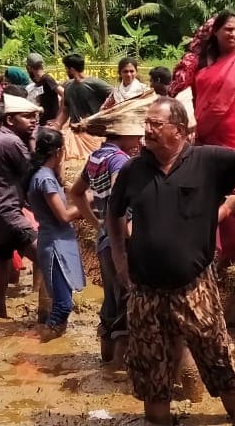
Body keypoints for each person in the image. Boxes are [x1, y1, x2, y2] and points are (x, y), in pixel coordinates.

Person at [107, 97, 235, 425]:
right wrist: (120, 260)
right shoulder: (132, 170)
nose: (146, 130)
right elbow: (114, 212)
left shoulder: (208, 160)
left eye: (155, 124)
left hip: (195, 290)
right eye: (146, 123)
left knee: (222, 364)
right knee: (152, 379)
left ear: (179, 130)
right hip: (145, 293)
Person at [174, 11, 235, 263]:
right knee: (213, 189)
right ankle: (221, 252)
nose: (234, 34)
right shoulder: (201, 62)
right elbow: (185, 95)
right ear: (215, 32)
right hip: (208, 135)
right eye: (228, 29)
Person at [68, 101, 146, 361]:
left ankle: (106, 363)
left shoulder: (96, 156)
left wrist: (96, 223)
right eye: (136, 134)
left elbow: (76, 192)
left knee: (112, 300)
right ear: (124, 134)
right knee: (127, 305)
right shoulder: (120, 162)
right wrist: (128, 233)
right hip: (121, 243)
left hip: (104, 239)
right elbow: (118, 201)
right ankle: (117, 375)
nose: (139, 139)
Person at [0, 94, 42, 319]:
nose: (33, 121)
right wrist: (35, 142)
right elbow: (34, 171)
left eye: (34, 117)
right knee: (49, 260)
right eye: (27, 117)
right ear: (10, 120)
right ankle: (48, 318)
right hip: (9, 214)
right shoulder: (12, 142)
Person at [25, 129, 85, 340]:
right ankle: (44, 345)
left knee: (61, 300)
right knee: (63, 305)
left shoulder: (42, 175)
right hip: (55, 245)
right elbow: (63, 216)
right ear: (59, 151)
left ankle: (51, 342)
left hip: (52, 241)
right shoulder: (46, 179)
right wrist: (89, 204)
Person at [58, 54, 112, 159]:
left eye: (66, 69)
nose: (66, 71)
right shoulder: (67, 86)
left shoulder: (96, 83)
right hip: (74, 133)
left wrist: (104, 112)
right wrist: (57, 124)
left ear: (72, 69)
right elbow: (65, 110)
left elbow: (115, 96)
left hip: (94, 133)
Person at [25, 53, 62, 126]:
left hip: (50, 122)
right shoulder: (38, 81)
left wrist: (58, 119)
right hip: (43, 121)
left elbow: (64, 93)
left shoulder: (47, 79)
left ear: (29, 68)